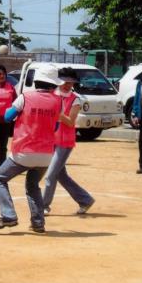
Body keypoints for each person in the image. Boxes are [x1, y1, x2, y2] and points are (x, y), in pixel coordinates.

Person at [0, 64, 61, 233]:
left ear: (36, 82)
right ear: (52, 85)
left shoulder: (25, 97)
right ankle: (38, 222)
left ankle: (9, 216)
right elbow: (56, 126)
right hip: (46, 154)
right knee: (32, 185)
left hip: (24, 151)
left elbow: (7, 117)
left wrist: (14, 110)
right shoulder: (59, 101)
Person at [42, 67, 95, 216]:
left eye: (71, 83)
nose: (67, 85)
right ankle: (85, 200)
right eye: (65, 82)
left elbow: (71, 122)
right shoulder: (52, 95)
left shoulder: (76, 99)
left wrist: (56, 113)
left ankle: (44, 205)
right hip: (51, 140)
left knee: (50, 174)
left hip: (64, 142)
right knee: (60, 175)